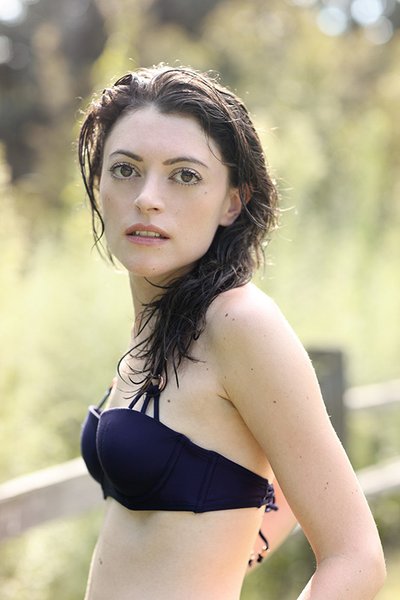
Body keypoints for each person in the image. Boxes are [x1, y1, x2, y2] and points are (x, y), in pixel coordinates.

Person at [78, 65, 385, 600]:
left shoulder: (238, 322)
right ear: (99, 182)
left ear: (232, 202)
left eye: (184, 175)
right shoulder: (158, 320)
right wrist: (220, 559)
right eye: (125, 169)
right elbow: (282, 481)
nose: (147, 197)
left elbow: (357, 558)